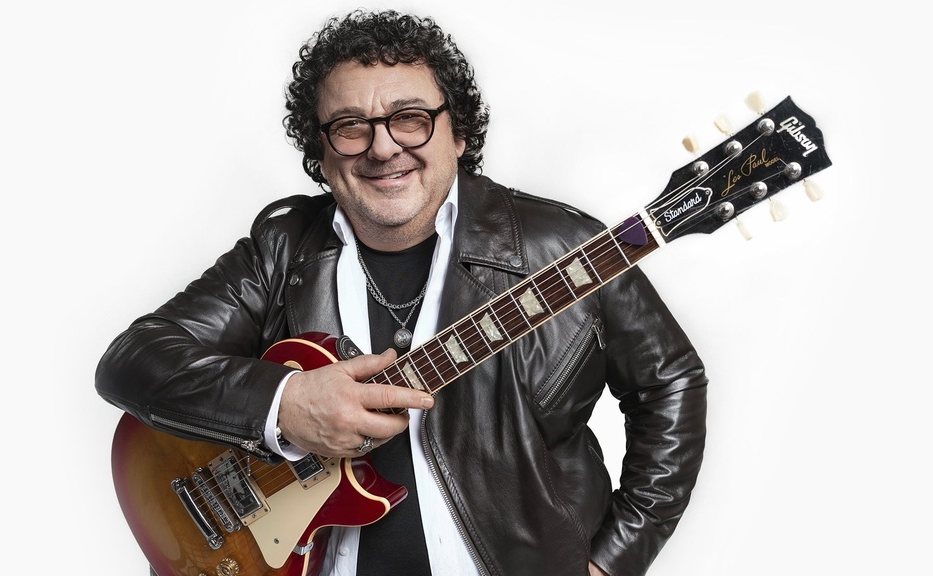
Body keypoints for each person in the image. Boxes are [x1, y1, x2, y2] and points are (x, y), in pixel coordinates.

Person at [95, 9, 707, 576]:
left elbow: (669, 381)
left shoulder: (566, 249)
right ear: (321, 153)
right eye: (349, 127)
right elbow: (132, 361)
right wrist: (284, 404)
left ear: (457, 133)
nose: (384, 147)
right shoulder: (282, 249)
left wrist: (613, 560)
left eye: (410, 118)